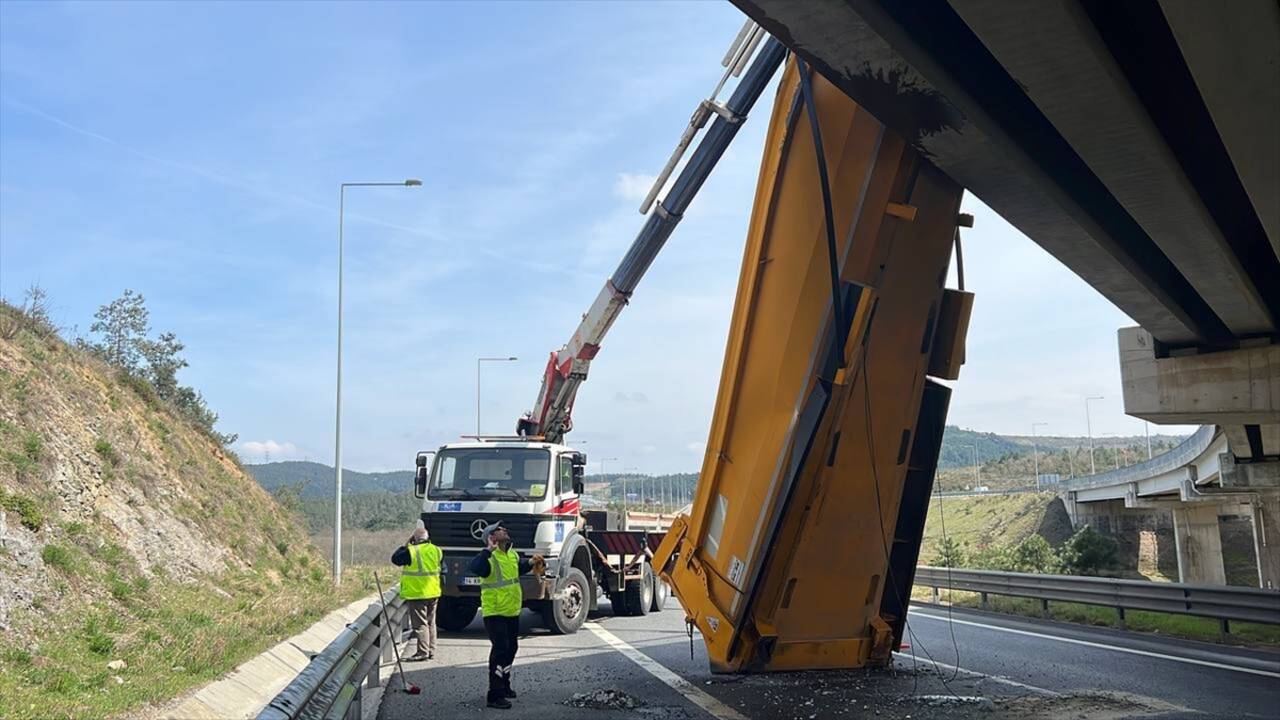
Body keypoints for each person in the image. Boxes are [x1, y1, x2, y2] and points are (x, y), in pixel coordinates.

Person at [468, 521, 544, 709]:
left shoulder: (511, 553)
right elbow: (475, 568)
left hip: (511, 610)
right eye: (499, 530)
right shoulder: (488, 557)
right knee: (500, 650)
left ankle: (505, 684)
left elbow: (516, 570)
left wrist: (531, 563)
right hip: (495, 612)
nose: (504, 530)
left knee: (511, 648)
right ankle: (494, 694)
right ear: (491, 537)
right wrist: (487, 550)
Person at [391, 522, 442, 661]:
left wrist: (406, 544)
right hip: (433, 592)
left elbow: (395, 559)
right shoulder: (436, 550)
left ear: (414, 539)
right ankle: (431, 650)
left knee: (420, 624)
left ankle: (422, 652)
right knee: (431, 623)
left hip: (418, 593)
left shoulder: (411, 551)